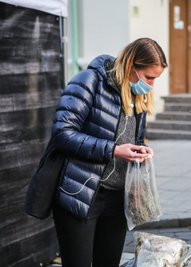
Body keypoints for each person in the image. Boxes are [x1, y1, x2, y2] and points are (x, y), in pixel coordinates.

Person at [31, 38, 167, 267]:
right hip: (80, 193)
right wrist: (113, 150)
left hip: (117, 199)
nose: (152, 85)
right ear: (131, 65)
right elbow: (62, 134)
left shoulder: (137, 93)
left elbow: (130, 138)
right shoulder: (89, 81)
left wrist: (139, 152)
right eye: (149, 77)